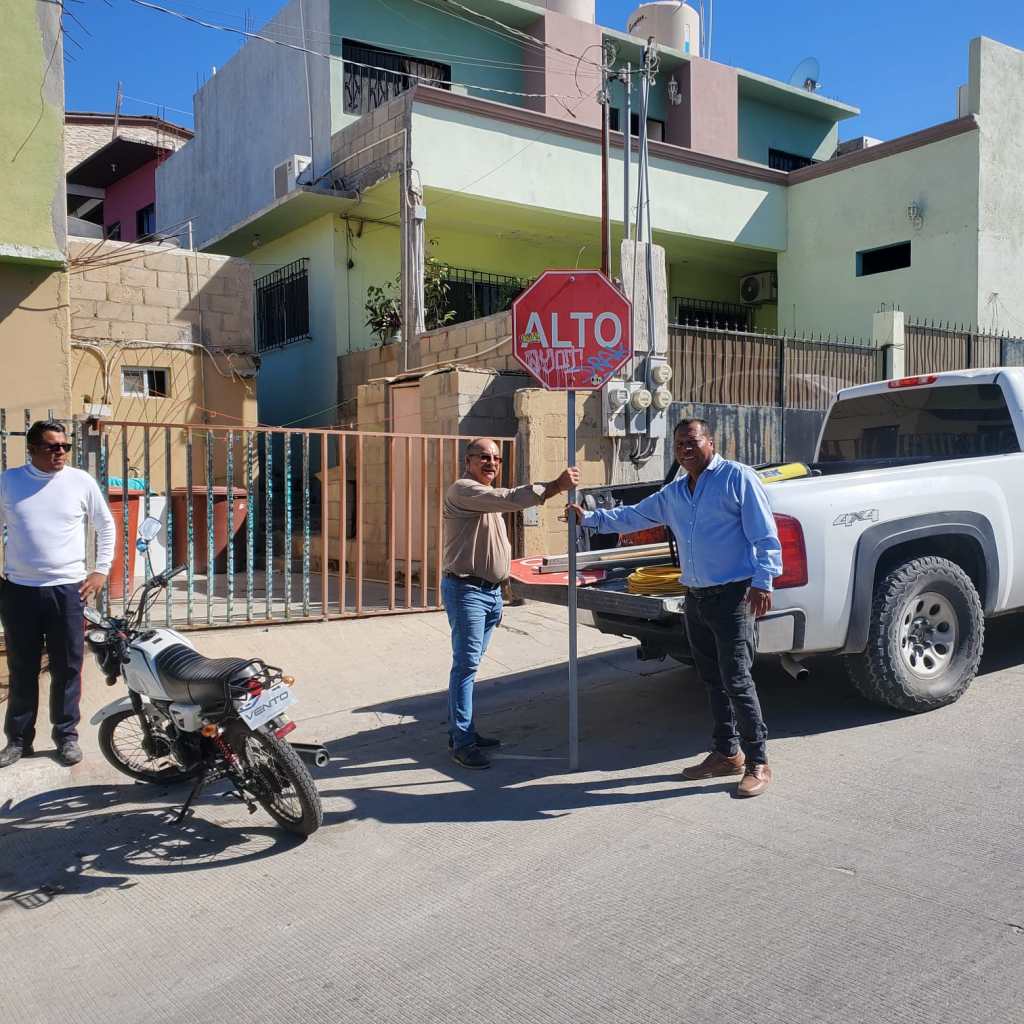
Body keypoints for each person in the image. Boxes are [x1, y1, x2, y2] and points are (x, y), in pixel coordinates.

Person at [566, 419, 782, 797]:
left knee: (737, 679)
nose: (685, 448)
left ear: (710, 442)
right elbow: (633, 515)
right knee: (712, 679)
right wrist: (590, 517)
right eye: (680, 443)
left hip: (733, 596)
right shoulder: (676, 492)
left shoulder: (737, 479)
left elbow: (765, 535)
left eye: (692, 441)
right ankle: (725, 753)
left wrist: (764, 581)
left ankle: (758, 761)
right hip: (696, 597)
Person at [443, 438, 579, 770]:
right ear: (469, 461)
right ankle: (462, 742)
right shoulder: (465, 490)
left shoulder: (486, 501)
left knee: (469, 666)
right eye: (484, 457)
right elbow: (509, 498)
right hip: (467, 592)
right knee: (466, 667)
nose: (491, 463)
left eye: (496, 459)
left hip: (490, 594)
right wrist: (557, 486)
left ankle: (463, 731)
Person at [0, 420, 115, 768]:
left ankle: (66, 736)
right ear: (32, 449)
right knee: (23, 667)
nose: (61, 452)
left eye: (65, 446)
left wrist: (100, 571)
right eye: (52, 446)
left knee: (67, 667)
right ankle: (18, 740)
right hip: (19, 590)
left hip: (68, 590)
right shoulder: (9, 482)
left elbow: (105, 524)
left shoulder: (80, 482)